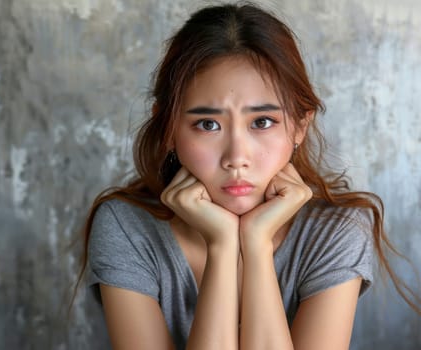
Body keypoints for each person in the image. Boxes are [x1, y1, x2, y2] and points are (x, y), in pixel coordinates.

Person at [75, 3, 420, 349]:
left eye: (262, 122)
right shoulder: (127, 227)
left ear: (300, 126)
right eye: (207, 124)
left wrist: (255, 246)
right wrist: (222, 246)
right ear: (169, 129)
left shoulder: (335, 230)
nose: (237, 158)